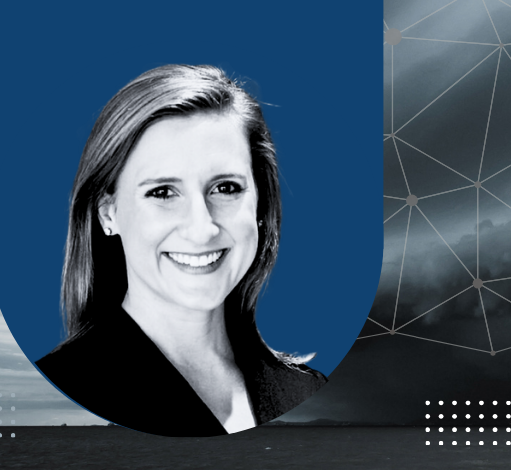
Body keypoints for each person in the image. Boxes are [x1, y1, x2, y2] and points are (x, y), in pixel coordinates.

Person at [35, 64, 325, 437]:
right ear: (109, 214)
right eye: (162, 193)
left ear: (261, 205)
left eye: (225, 188)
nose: (202, 228)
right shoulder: (66, 388)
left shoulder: (306, 388)